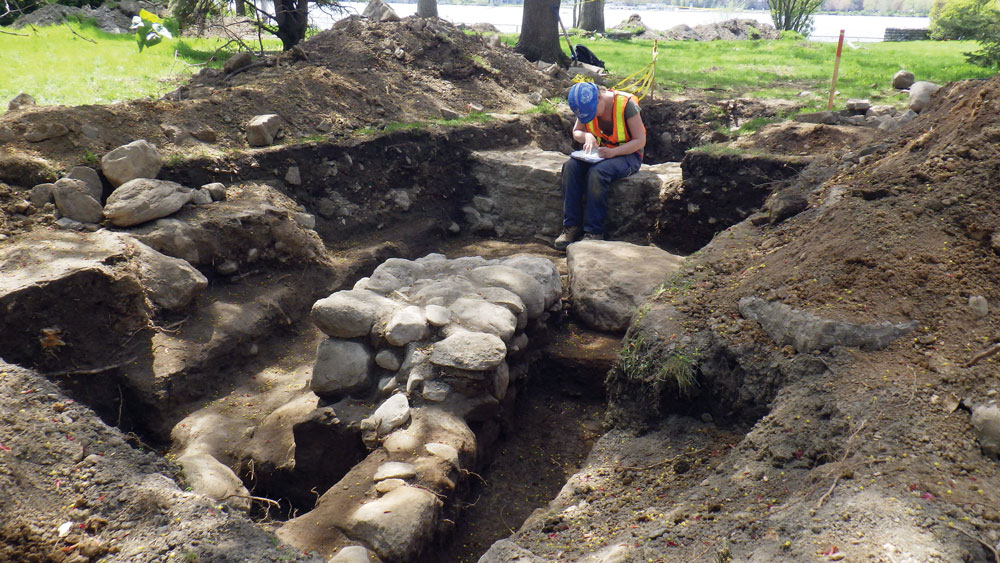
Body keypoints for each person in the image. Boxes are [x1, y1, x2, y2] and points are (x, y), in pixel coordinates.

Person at [554, 81, 647, 251]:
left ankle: (593, 232)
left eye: (592, 113)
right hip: (600, 154)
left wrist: (614, 152)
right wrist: (586, 136)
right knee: (571, 166)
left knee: (598, 172)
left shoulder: (626, 105)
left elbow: (640, 140)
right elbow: (577, 132)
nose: (590, 117)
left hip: (628, 154)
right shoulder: (585, 106)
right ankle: (571, 227)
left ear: (599, 98)